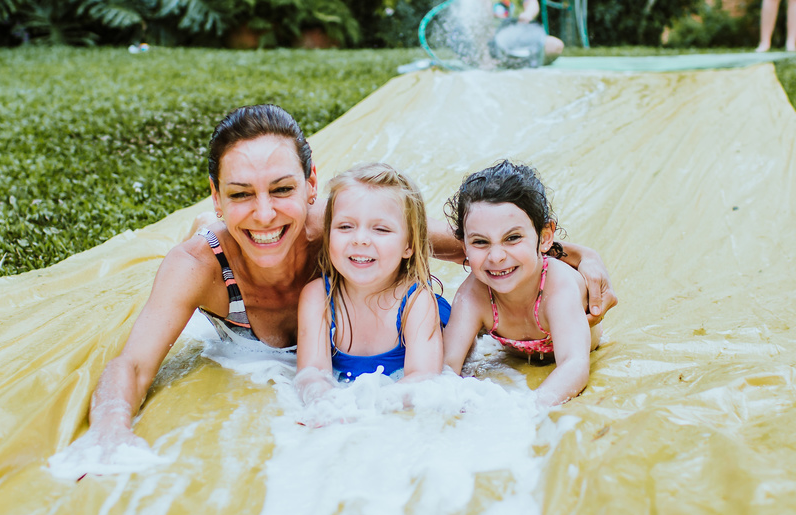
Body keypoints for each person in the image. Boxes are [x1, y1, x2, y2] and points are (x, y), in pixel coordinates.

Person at [80, 105, 615, 456]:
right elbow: (131, 363)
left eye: (282, 189)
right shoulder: (198, 268)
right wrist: (109, 432)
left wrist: (579, 257)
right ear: (216, 197)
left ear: (311, 186)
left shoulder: (338, 232)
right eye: (241, 194)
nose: (265, 214)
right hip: (255, 331)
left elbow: (479, 243)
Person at [442, 160, 601, 406]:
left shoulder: (558, 288)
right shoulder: (474, 294)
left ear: (545, 237)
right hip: (516, 354)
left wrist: (526, 410)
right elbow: (445, 367)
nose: (496, 257)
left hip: (576, 346)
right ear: (464, 246)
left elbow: (574, 365)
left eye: (512, 238)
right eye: (480, 242)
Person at [295, 163, 451, 403]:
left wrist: (363, 406)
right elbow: (311, 375)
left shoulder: (416, 302)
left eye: (380, 229)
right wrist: (327, 406)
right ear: (328, 236)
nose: (360, 240)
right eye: (345, 226)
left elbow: (423, 378)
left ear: (408, 245)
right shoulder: (317, 298)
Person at [489, 0, 564, 67]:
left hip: (518, 39)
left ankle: (513, 62)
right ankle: (508, 61)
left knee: (555, 46)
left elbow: (532, 4)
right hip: (490, 42)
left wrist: (527, 14)